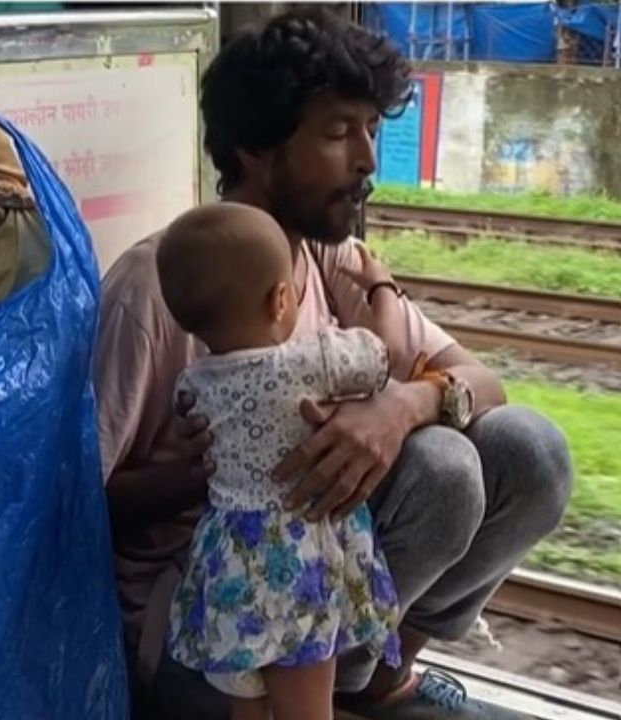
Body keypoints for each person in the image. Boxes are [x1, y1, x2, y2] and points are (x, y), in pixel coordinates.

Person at [93, 8, 573, 720]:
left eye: (372, 130)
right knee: (442, 468)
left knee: (529, 450)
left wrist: (400, 407)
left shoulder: (330, 258)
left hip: (316, 585)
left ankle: (376, 677)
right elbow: (77, 504)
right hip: (211, 631)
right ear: (257, 151)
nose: (369, 161)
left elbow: (484, 383)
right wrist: (203, 471)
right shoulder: (153, 288)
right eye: (339, 132)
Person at [156, 202, 404, 720]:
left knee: (248, 713)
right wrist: (381, 286)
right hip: (295, 572)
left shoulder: (193, 386)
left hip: (225, 571)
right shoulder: (308, 365)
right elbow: (389, 354)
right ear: (280, 300)